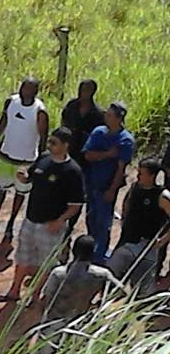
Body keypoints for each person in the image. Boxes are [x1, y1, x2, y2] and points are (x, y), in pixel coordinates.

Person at [0, 127, 85, 303]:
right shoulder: (43, 158)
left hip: (50, 225)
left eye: (54, 143)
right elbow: (31, 176)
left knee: (46, 263)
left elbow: (76, 205)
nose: (49, 145)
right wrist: (24, 177)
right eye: (50, 141)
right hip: (30, 220)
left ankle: (35, 296)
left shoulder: (72, 171)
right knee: (22, 257)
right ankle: (14, 291)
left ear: (66, 146)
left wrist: (60, 221)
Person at [0, 77, 49, 241]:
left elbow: (43, 137)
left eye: (28, 89)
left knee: (20, 193)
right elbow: (3, 120)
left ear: (35, 92)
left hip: (26, 161)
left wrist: (40, 161)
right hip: (7, 155)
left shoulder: (39, 111)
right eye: (22, 87)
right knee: (0, 191)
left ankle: (10, 224)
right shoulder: (11, 102)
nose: (24, 91)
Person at [107, 158, 170, 296]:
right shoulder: (135, 188)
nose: (138, 176)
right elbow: (127, 204)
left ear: (152, 175)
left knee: (143, 288)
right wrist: (124, 219)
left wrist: (162, 241)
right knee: (110, 273)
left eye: (142, 173)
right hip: (127, 239)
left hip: (146, 245)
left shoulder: (162, 196)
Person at [82, 102, 135, 263]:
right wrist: (107, 154)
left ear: (119, 119)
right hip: (91, 183)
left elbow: (121, 168)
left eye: (110, 115)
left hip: (107, 186)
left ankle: (99, 257)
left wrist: (112, 190)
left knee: (103, 223)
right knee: (91, 219)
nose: (106, 117)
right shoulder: (98, 132)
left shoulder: (125, 140)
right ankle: (89, 251)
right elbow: (87, 155)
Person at [40, 234, 124, 323]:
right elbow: (120, 292)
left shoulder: (58, 273)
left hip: (54, 323)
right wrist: (98, 305)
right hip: (81, 322)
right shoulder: (102, 274)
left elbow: (45, 298)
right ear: (93, 253)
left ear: (73, 251)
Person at [60, 79, 105, 238]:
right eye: (80, 89)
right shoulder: (71, 107)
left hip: (84, 163)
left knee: (77, 196)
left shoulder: (98, 115)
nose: (82, 93)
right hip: (66, 156)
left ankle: (69, 229)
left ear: (92, 92)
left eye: (85, 90)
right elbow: (63, 126)